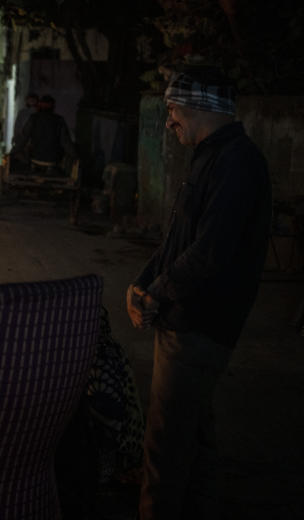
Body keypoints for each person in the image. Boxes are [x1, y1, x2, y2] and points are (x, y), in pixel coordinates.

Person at [126, 66, 271, 519]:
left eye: (172, 109)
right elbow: (178, 238)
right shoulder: (212, 156)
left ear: (201, 108)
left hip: (199, 323)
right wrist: (143, 281)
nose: (169, 121)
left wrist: (157, 295)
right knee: (195, 437)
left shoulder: (237, 162)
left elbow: (210, 252)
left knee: (165, 448)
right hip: (185, 317)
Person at [13, 94, 77, 173]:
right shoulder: (59, 120)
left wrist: (13, 152)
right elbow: (66, 142)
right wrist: (75, 156)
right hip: (53, 159)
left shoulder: (33, 118)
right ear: (53, 107)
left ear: (39, 105)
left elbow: (24, 139)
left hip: (35, 157)